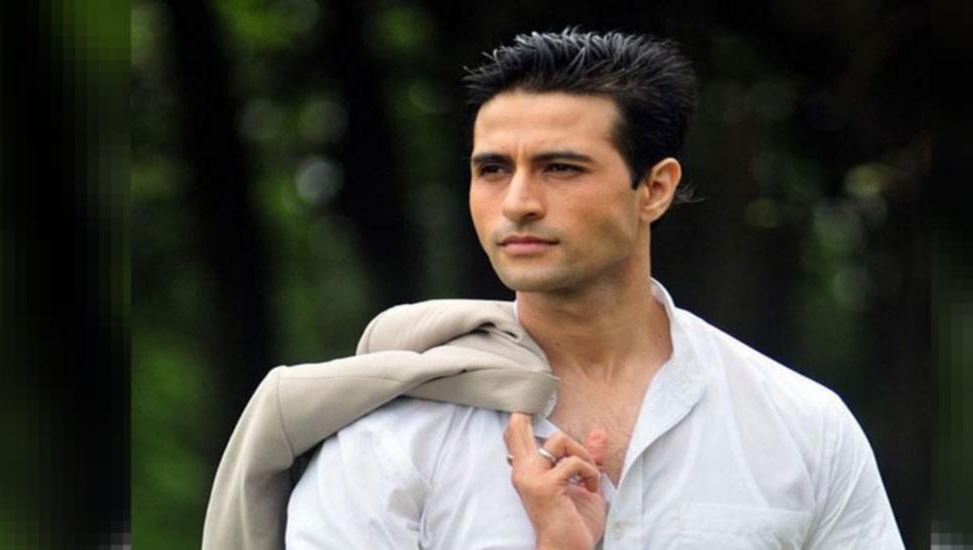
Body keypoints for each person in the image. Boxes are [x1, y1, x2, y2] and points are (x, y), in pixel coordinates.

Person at [285, 29, 904, 549]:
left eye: (560, 167)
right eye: (493, 169)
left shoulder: (801, 425)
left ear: (654, 189)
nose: (518, 203)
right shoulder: (392, 430)